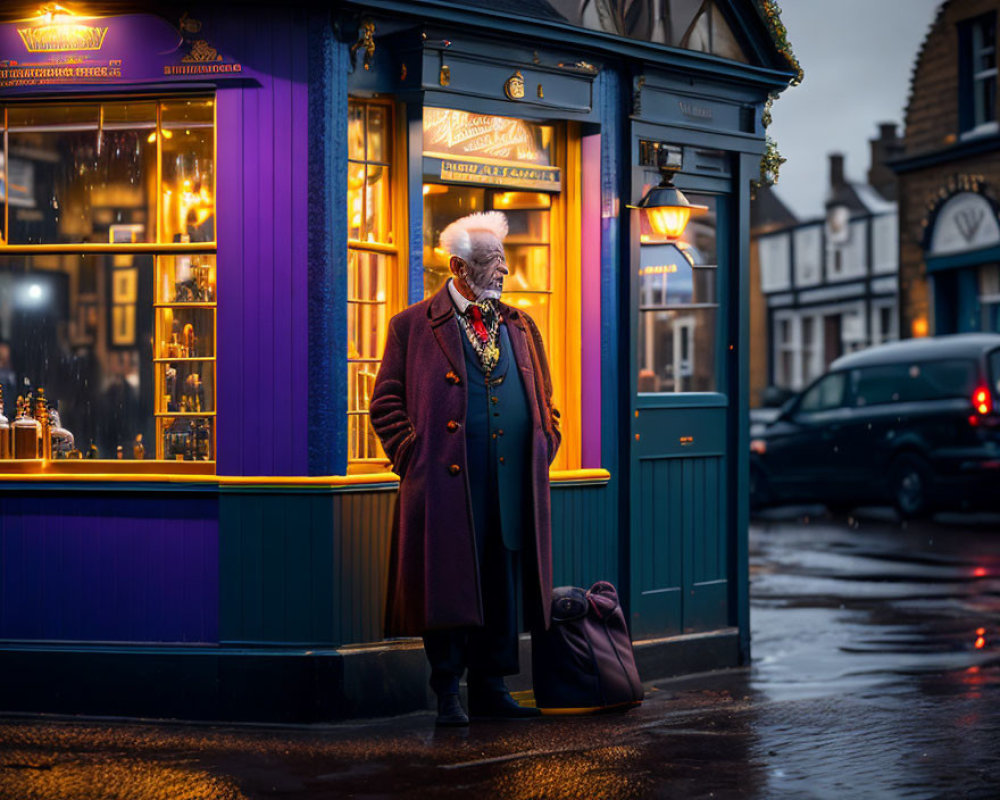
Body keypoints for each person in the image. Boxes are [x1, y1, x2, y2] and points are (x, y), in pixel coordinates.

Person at [371, 211, 561, 727]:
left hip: (509, 482)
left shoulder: (520, 324)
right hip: (445, 486)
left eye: (503, 260)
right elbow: (385, 405)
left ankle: (492, 688)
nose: (503, 271)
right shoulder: (411, 326)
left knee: (500, 582)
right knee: (450, 586)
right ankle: (449, 692)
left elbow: (545, 397)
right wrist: (415, 458)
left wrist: (547, 440)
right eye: (491, 262)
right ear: (458, 267)